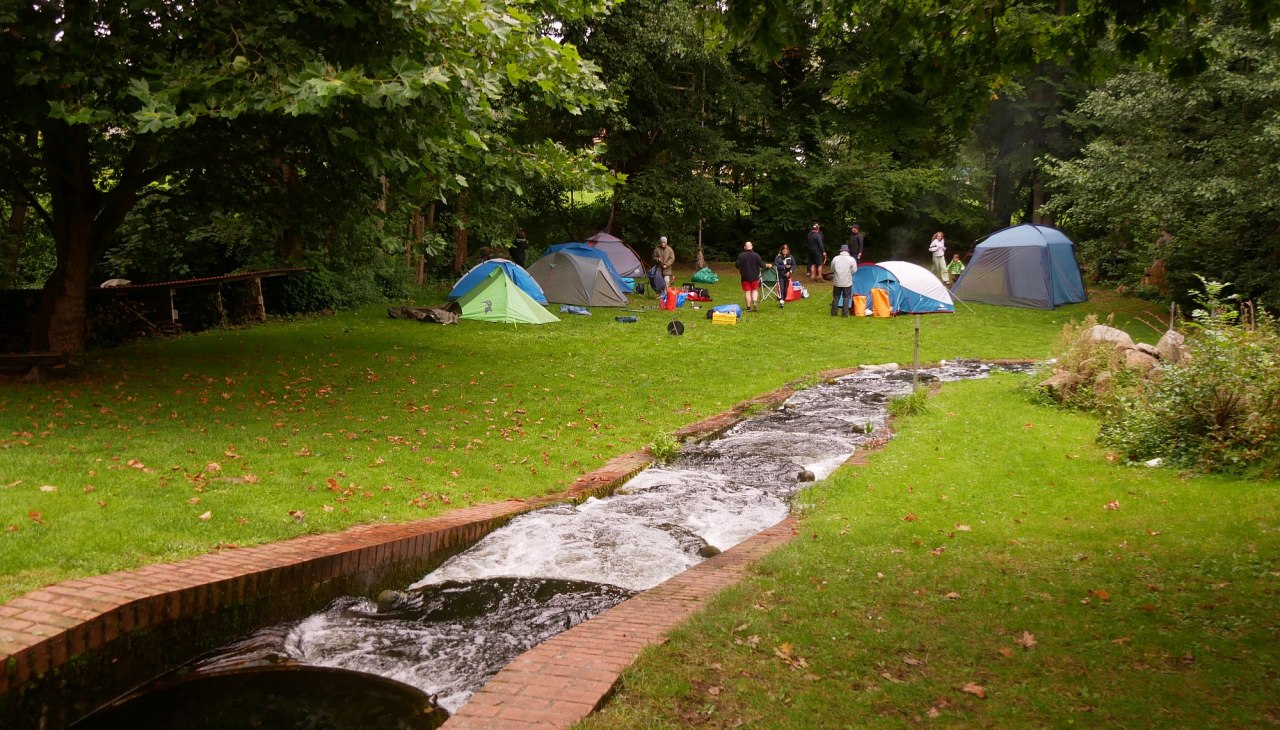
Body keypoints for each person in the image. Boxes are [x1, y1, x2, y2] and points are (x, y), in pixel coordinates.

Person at [736, 240, 766, 312]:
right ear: (752, 247)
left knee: (747, 291)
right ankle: (755, 301)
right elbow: (762, 265)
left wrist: (740, 268)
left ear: (745, 247)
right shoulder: (756, 255)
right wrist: (766, 265)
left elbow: (737, 264)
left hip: (745, 276)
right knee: (755, 290)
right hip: (755, 276)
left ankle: (748, 307)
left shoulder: (741, 255)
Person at [830, 244, 857, 316]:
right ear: (847, 251)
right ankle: (845, 314)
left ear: (841, 251)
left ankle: (834, 313)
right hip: (847, 282)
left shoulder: (835, 258)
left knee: (836, 297)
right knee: (846, 298)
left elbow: (832, 269)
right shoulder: (852, 259)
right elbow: (854, 270)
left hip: (837, 282)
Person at [774, 244, 795, 308]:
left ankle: (783, 299)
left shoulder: (791, 257)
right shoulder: (778, 257)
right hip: (780, 275)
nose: (785, 252)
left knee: (785, 289)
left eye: (786, 251)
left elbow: (794, 265)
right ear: (781, 250)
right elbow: (776, 266)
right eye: (784, 251)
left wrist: (790, 271)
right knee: (782, 288)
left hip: (787, 275)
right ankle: (781, 301)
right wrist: (784, 266)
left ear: (788, 250)